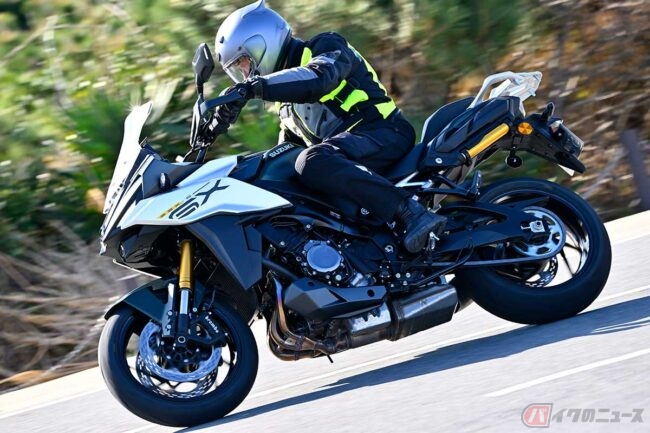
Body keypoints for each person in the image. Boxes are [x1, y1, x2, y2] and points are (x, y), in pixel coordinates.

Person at [212, 0, 446, 253]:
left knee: (312, 160)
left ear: (262, 44)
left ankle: (410, 212)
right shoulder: (286, 107)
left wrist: (252, 88)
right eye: (239, 70)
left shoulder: (326, 46)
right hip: (348, 151)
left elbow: (319, 78)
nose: (246, 73)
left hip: (383, 131)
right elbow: (285, 157)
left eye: (244, 62)